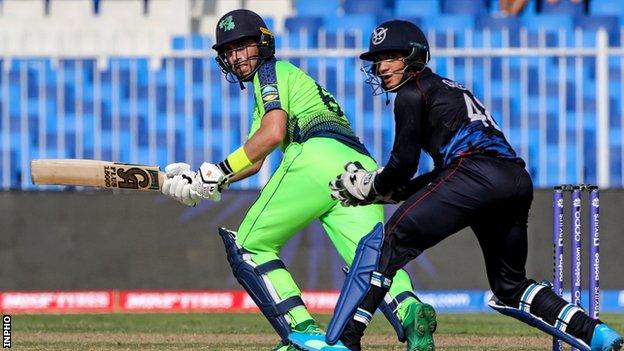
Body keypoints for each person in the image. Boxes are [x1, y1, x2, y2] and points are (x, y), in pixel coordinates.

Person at [288, 19, 624, 351]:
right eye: (377, 60)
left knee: (390, 243)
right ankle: (595, 332)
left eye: (390, 57)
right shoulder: (448, 87)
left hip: (473, 173)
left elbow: (404, 166)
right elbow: (438, 177)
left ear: (414, 56)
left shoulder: (411, 93)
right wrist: (384, 191)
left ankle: (347, 341)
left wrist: (372, 185)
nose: (381, 67)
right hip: (513, 180)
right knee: (510, 286)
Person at [160, 10, 437, 351]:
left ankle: (302, 334)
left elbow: (273, 135)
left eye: (243, 45)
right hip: (358, 166)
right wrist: (205, 183)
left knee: (249, 246)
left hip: (315, 155)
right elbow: (255, 156)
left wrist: (216, 170)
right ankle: (412, 313)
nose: (236, 56)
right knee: (369, 262)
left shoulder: (271, 72)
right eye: (228, 51)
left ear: (263, 44)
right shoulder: (289, 82)